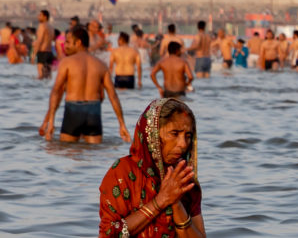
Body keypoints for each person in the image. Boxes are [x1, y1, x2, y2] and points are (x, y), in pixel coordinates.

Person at [98, 98, 204, 237]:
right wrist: (161, 200)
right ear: (152, 134)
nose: (183, 144)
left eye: (188, 136)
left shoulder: (186, 181)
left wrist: (176, 202)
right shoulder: (122, 173)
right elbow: (108, 234)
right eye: (174, 134)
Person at [38, 25, 131, 144]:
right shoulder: (101, 65)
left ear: (78, 43)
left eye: (68, 42)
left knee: (66, 154)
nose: (65, 46)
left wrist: (51, 122)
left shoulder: (67, 63)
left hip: (73, 111)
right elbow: (112, 96)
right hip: (94, 112)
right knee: (93, 155)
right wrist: (122, 125)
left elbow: (56, 91)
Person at [34, 9, 55, 79]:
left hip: (42, 52)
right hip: (49, 53)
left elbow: (39, 40)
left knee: (40, 76)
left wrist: (34, 54)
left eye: (40, 15)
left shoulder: (42, 26)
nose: (38, 17)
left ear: (45, 17)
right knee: (48, 77)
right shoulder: (51, 27)